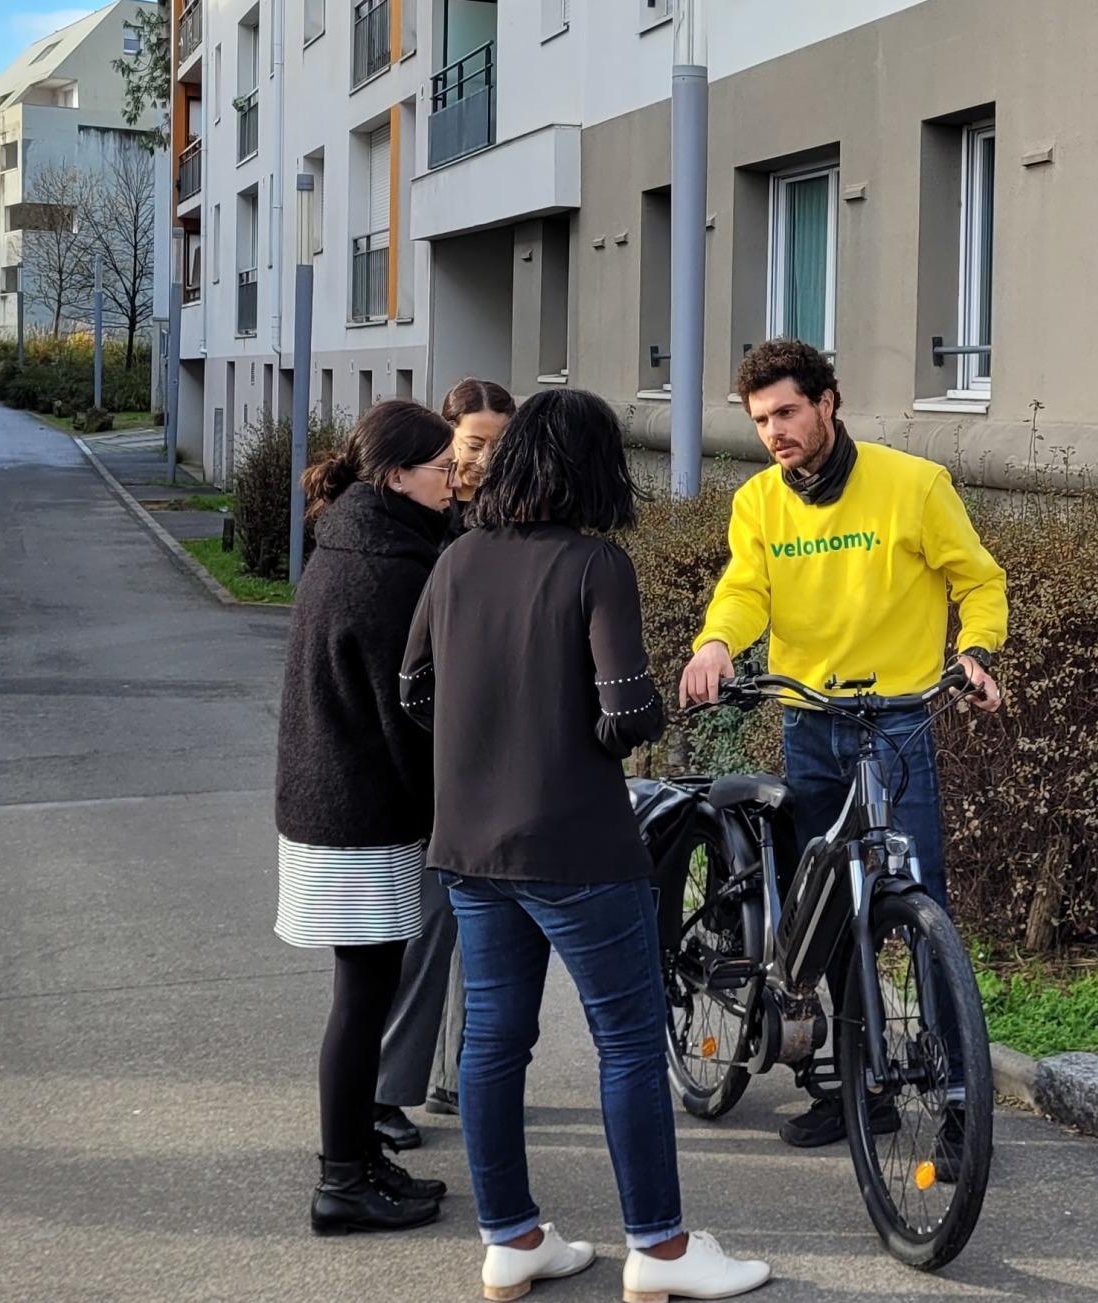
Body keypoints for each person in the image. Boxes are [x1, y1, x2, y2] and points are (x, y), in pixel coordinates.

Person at [402, 389, 770, 1303]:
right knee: (630, 1043)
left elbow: (413, 690)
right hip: (575, 841)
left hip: (470, 845)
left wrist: (481, 734)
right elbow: (626, 714)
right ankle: (661, 1249)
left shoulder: (455, 561)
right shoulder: (594, 563)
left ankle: (512, 1238)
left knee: (493, 1041)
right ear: (593, 467)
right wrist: (601, 725)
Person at [677, 338, 1008, 1149]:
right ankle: (854, 1080)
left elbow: (978, 578)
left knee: (916, 899)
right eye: (760, 420)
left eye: (787, 411)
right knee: (824, 899)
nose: (775, 432)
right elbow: (744, 589)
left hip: (894, 718)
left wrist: (977, 651)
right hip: (808, 719)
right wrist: (717, 642)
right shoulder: (758, 500)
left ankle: (960, 1096)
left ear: (828, 401)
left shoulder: (912, 484)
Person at [272, 398, 459, 1237]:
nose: (454, 481)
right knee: (360, 1000)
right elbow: (407, 713)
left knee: (365, 993)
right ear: (395, 475)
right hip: (359, 814)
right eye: (441, 468)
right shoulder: (387, 568)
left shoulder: (353, 539)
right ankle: (342, 1179)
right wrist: (449, 809)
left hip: (334, 805)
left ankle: (357, 1157)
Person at [369, 379, 519, 1148]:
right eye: (472, 443)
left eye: (498, 443)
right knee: (429, 930)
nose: (484, 459)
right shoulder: (421, 526)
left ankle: (463, 1075)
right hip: (432, 757)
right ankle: (388, 1091)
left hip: (493, 753)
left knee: (489, 932)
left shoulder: (507, 517)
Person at [440, 377, 517, 535]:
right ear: (447, 435)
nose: (485, 460)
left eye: (497, 447)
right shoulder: (426, 496)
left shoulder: (516, 503)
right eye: (474, 446)